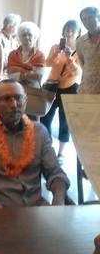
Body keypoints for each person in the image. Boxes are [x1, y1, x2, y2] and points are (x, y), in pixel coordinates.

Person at [0, 79, 70, 208]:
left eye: (18, 98)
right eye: (6, 99)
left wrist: (59, 199)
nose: (13, 104)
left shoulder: (39, 131)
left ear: (26, 101)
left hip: (35, 210)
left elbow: (55, 173)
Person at [40, 20, 82, 162]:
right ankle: (48, 149)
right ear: (63, 32)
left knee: (65, 122)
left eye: (72, 31)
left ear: (78, 33)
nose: (69, 33)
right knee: (45, 118)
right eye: (67, 30)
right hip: (52, 86)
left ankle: (61, 153)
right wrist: (57, 53)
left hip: (70, 88)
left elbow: (78, 73)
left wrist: (70, 58)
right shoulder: (55, 47)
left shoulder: (81, 51)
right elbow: (47, 64)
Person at [8, 21, 45, 87]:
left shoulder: (40, 55)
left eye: (30, 35)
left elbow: (38, 77)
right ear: (19, 37)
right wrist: (29, 73)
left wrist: (17, 70)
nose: (27, 37)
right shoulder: (12, 54)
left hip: (33, 90)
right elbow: (10, 75)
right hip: (15, 89)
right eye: (24, 35)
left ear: (35, 37)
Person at [76, 6, 100, 94]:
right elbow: (82, 63)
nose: (87, 21)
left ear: (98, 17)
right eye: (84, 19)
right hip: (86, 90)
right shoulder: (80, 41)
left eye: (90, 17)